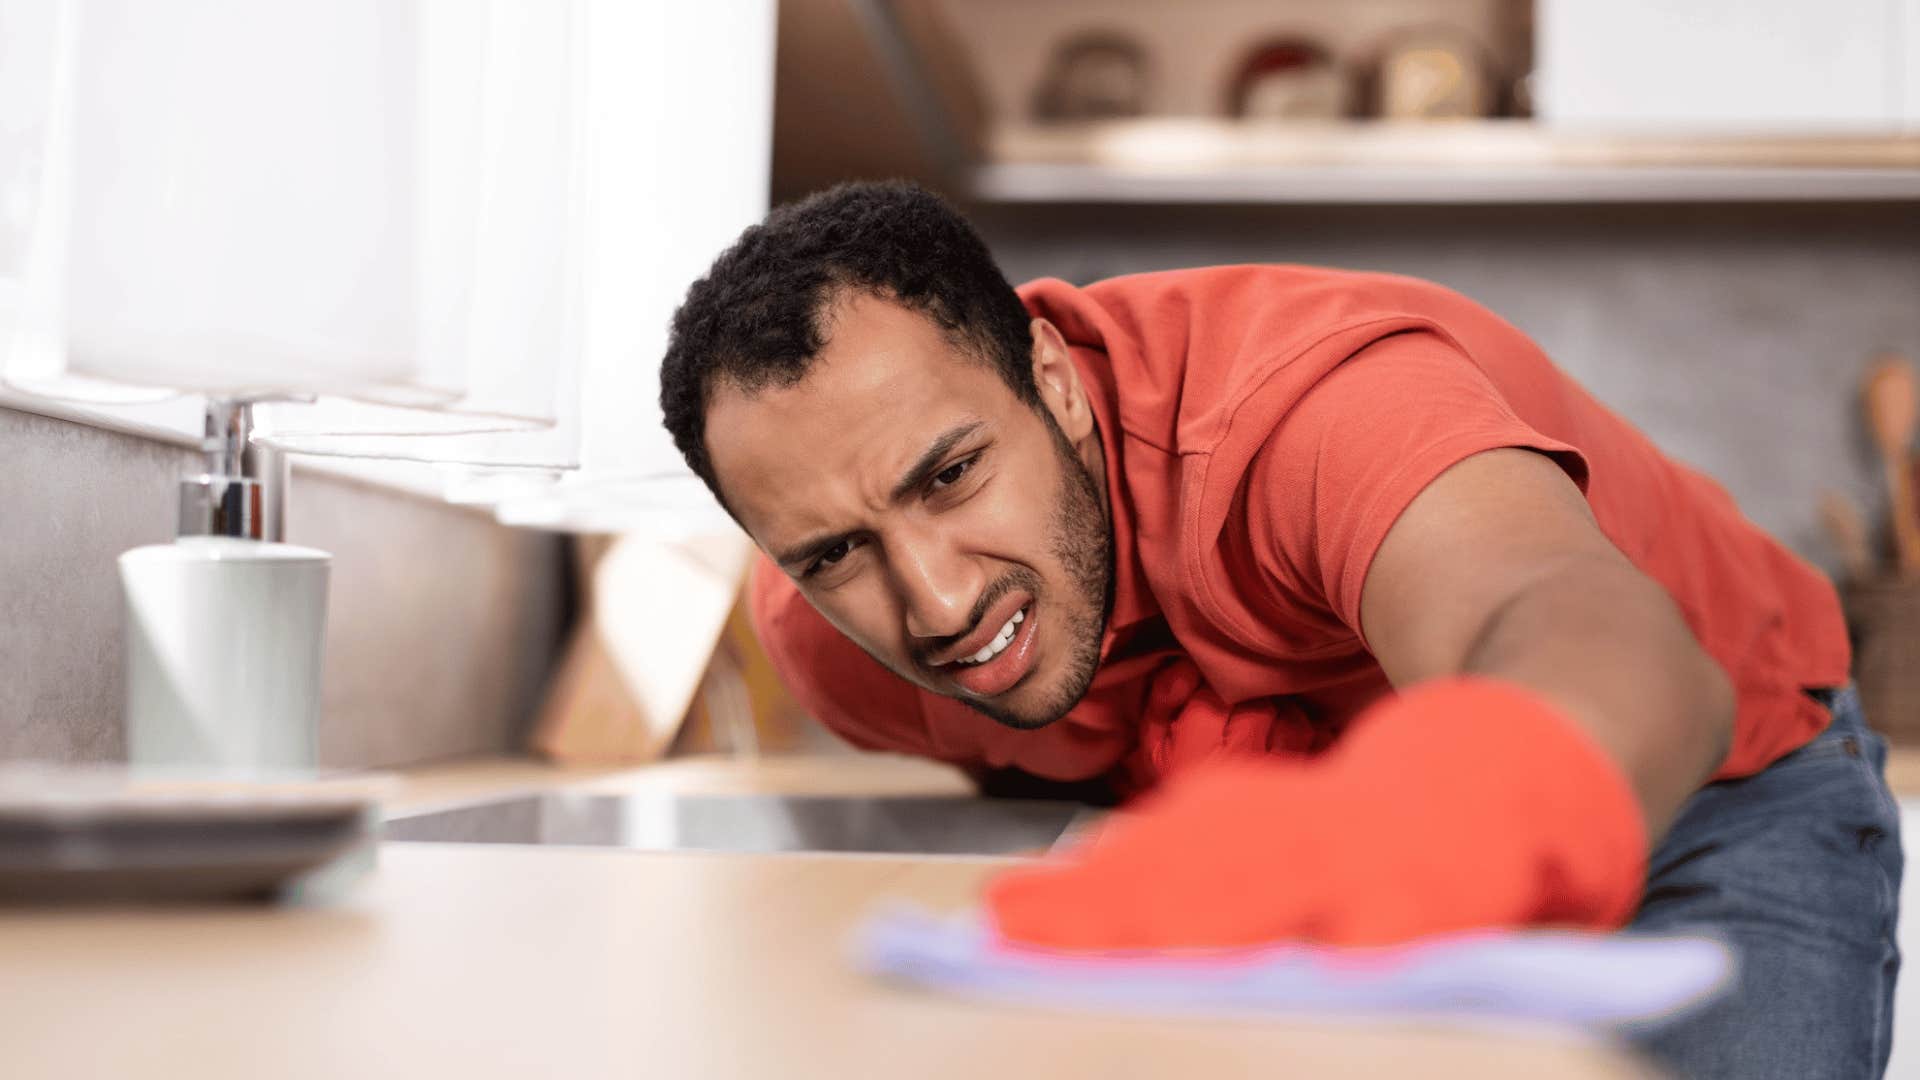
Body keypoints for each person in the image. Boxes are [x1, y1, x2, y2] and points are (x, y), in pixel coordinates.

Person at [658, 180, 1901, 1078]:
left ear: (1049, 379)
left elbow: (1577, 625)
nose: (933, 601)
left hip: (1716, 803)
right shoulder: (836, 651)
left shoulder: (1310, 414)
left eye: (951, 476)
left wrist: (1478, 806)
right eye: (833, 553)